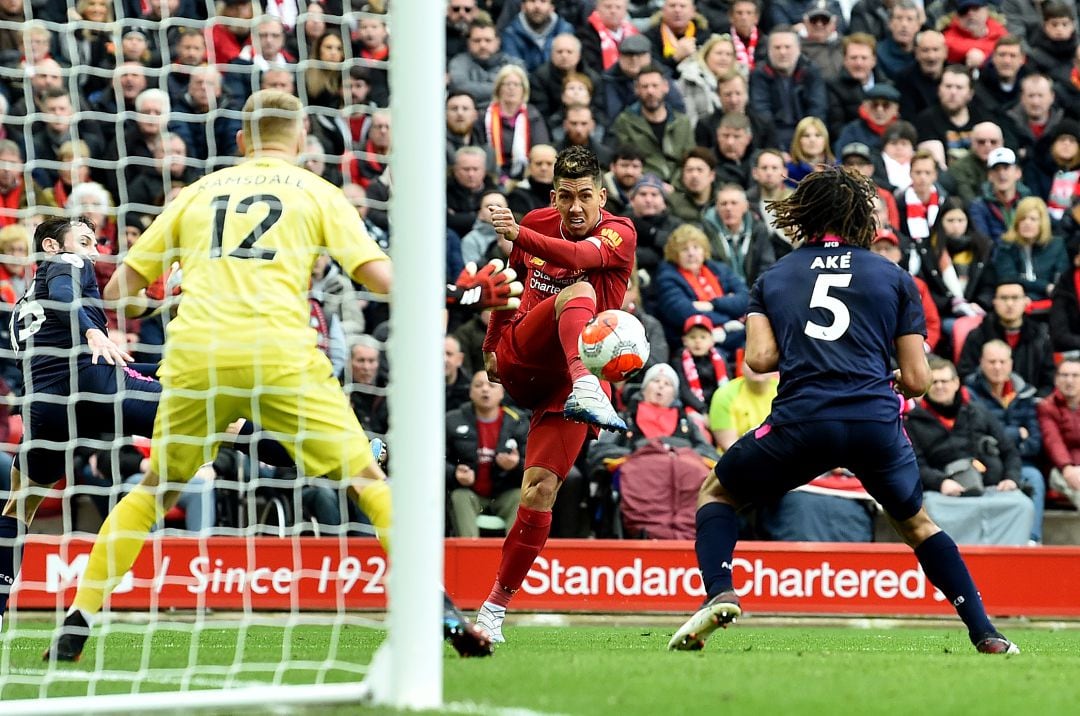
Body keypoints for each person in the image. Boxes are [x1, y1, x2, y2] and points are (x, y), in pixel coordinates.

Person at [39, 90, 524, 661]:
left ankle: (78, 619)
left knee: (154, 489)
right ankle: (436, 605)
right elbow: (377, 278)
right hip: (281, 353)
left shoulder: (195, 194)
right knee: (368, 480)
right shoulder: (319, 192)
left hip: (198, 355)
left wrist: (154, 297)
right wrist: (456, 293)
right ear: (298, 141)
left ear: (242, 141)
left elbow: (117, 290)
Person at [667, 167, 1020, 655]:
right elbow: (919, 380)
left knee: (718, 492)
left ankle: (719, 592)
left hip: (801, 422)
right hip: (874, 423)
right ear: (860, 217)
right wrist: (886, 378)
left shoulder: (774, 277)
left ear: (805, 214)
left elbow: (760, 360)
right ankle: (986, 632)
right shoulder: (894, 276)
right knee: (917, 524)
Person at [476, 145, 637, 643]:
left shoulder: (620, 232)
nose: (575, 207)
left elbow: (579, 256)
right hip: (526, 356)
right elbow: (508, 284)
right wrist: (491, 348)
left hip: (566, 390)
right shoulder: (537, 221)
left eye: (585, 195)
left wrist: (515, 232)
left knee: (540, 490)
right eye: (565, 196)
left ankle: (493, 609)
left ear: (601, 196)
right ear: (554, 196)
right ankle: (589, 382)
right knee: (580, 294)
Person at [906, 357, 1036, 546]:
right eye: (934, 382)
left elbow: (1009, 450)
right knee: (932, 509)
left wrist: (1011, 478)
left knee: (1022, 505)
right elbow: (916, 464)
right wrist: (941, 483)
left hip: (991, 489)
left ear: (956, 382)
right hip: (944, 495)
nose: (940, 386)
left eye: (945, 381)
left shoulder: (978, 412)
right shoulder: (912, 422)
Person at [965, 340, 1047, 544]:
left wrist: (1000, 440)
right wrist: (1017, 434)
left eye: (1002, 361)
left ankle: (1031, 540)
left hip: (1020, 460)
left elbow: (1035, 443)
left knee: (1034, 477)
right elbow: (974, 437)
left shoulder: (1025, 394)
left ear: (1011, 364)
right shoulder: (969, 394)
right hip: (985, 462)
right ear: (981, 363)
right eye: (992, 362)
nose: (997, 367)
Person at [445, 370, 528, 537]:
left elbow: (534, 463)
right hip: (470, 492)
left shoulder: (518, 421)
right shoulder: (452, 420)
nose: (485, 389)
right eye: (478, 385)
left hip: (504, 492)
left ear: (502, 392)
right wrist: (455, 474)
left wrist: (516, 465)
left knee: (521, 497)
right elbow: (437, 460)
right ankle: (469, 553)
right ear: (470, 392)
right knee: (459, 496)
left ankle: (514, 558)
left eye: (491, 385)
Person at [957, 281, 1057, 396]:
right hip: (986, 405)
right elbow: (966, 376)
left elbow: (1050, 380)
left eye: (1015, 298)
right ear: (994, 302)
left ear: (1026, 302)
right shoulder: (978, 335)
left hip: (1030, 404)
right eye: (1004, 298)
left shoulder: (1041, 336)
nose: (1009, 303)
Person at [1037, 357, 1080, 510]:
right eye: (1064, 375)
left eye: (1075, 375)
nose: (1070, 381)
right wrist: (1067, 468)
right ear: (1056, 379)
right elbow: (1053, 441)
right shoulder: (1047, 407)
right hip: (1059, 468)